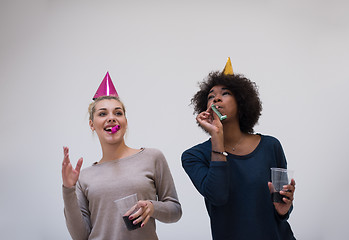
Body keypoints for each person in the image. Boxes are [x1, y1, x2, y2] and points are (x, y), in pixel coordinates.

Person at [181, 58, 296, 240]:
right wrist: (217, 136)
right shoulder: (193, 156)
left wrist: (283, 210)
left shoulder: (271, 146)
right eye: (211, 96)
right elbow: (218, 196)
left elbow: (282, 205)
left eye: (225, 93)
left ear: (242, 101)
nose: (216, 98)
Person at [62, 72, 182, 240]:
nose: (111, 118)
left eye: (118, 113)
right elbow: (81, 236)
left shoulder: (152, 157)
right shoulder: (84, 177)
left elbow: (175, 211)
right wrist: (68, 189)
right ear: (92, 124)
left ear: (125, 121)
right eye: (103, 114)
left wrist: (152, 207)